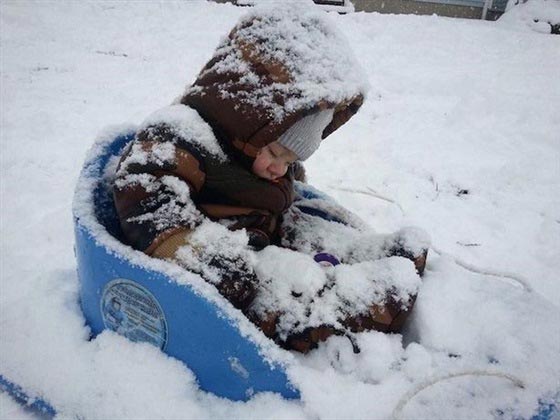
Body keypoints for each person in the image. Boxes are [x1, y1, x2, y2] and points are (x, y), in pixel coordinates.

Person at [112, 3, 429, 352]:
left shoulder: (258, 154)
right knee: (288, 301)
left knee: (310, 232)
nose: (280, 168)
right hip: (232, 269)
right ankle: (363, 301)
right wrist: (213, 260)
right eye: (277, 153)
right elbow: (147, 208)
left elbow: (282, 182)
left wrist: (288, 175)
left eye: (291, 161)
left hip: (269, 230)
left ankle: (360, 252)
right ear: (245, 117)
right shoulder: (176, 137)